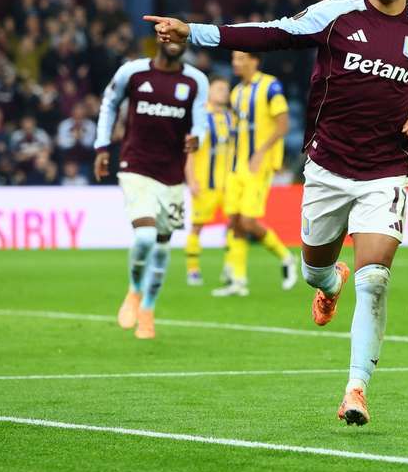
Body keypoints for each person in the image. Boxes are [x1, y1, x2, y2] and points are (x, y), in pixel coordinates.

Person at [144, 0, 408, 426]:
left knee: (374, 281)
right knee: (315, 270)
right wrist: (196, 32)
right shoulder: (337, 14)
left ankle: (356, 389)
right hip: (328, 167)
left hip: (386, 169)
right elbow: (274, 34)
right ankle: (329, 286)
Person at [94, 38, 208, 339]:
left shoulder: (196, 80)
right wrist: (102, 146)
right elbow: (109, 105)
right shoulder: (132, 72)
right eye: (169, 36)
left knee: (160, 247)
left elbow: (200, 123)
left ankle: (148, 308)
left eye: (181, 37)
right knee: (144, 237)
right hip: (136, 166)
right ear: (159, 39)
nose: (174, 42)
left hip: (171, 175)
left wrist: (197, 137)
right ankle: (133, 292)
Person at [211, 52, 298, 296]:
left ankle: (286, 257)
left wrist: (262, 153)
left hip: (259, 166)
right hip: (237, 166)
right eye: (233, 59)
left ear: (254, 61)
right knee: (235, 221)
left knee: (248, 221)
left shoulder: (271, 86)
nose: (234, 63)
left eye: (239, 59)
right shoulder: (237, 92)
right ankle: (238, 280)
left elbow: (283, 124)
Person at [184, 76, 234, 286]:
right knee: (197, 226)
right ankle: (193, 270)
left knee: (234, 225)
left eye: (226, 88)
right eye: (219, 88)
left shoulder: (233, 118)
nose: (224, 91)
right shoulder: (201, 117)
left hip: (230, 183)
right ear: (210, 92)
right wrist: (191, 178)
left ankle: (231, 268)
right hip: (206, 183)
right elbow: (190, 151)